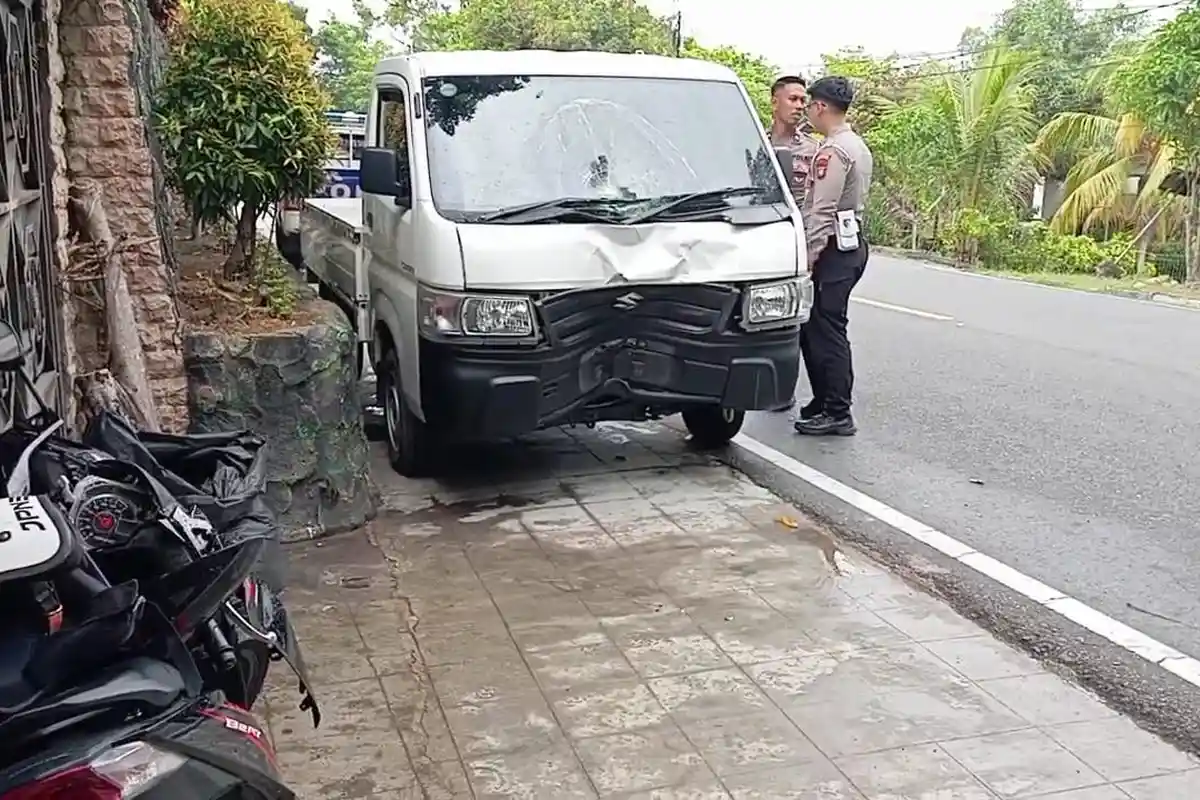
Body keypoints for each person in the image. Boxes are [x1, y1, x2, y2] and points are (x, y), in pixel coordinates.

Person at [793, 75, 873, 437]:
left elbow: (821, 212)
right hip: (849, 243)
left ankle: (838, 410)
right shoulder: (856, 144)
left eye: (809, 104)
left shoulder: (834, 151)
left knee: (827, 329)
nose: (807, 110)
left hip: (833, 250)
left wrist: (807, 258)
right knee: (815, 328)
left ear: (821, 106)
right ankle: (823, 400)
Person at [767, 75, 819, 412]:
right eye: (793, 99)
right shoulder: (753, 140)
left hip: (795, 240)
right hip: (757, 237)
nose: (799, 107)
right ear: (775, 101)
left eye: (804, 101)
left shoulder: (813, 150)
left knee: (796, 316)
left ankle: (785, 389)